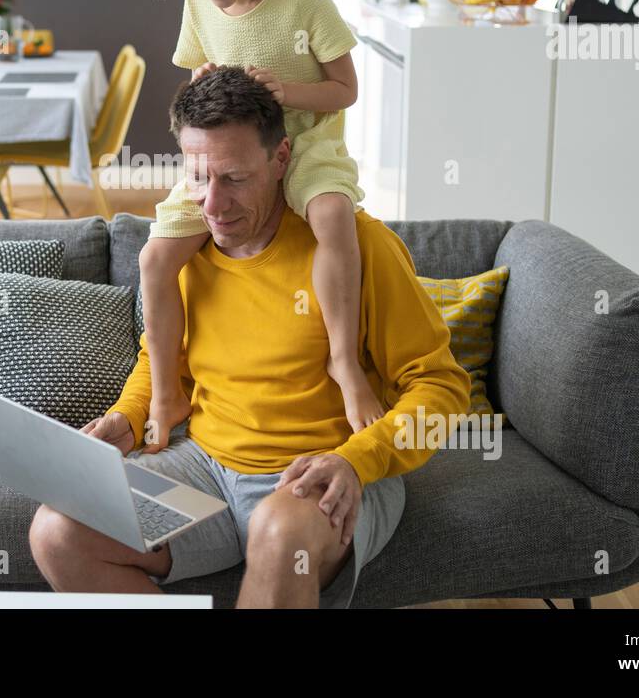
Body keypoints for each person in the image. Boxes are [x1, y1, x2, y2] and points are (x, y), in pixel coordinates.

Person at [29, 67, 471, 608]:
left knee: (281, 533)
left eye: (234, 178)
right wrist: (129, 413)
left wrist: (360, 460)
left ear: (281, 158)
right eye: (197, 177)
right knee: (57, 531)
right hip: (207, 468)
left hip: (327, 466)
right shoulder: (186, 249)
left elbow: (441, 386)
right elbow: (162, 358)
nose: (212, 204)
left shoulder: (357, 246)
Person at [117, 0, 383, 455]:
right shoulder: (197, 5)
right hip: (232, 159)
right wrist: (205, 80)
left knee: (334, 219)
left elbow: (346, 90)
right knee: (156, 259)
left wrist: (288, 92)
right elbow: (193, 97)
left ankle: (344, 361)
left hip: (306, 143)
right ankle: (164, 393)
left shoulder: (304, 1)